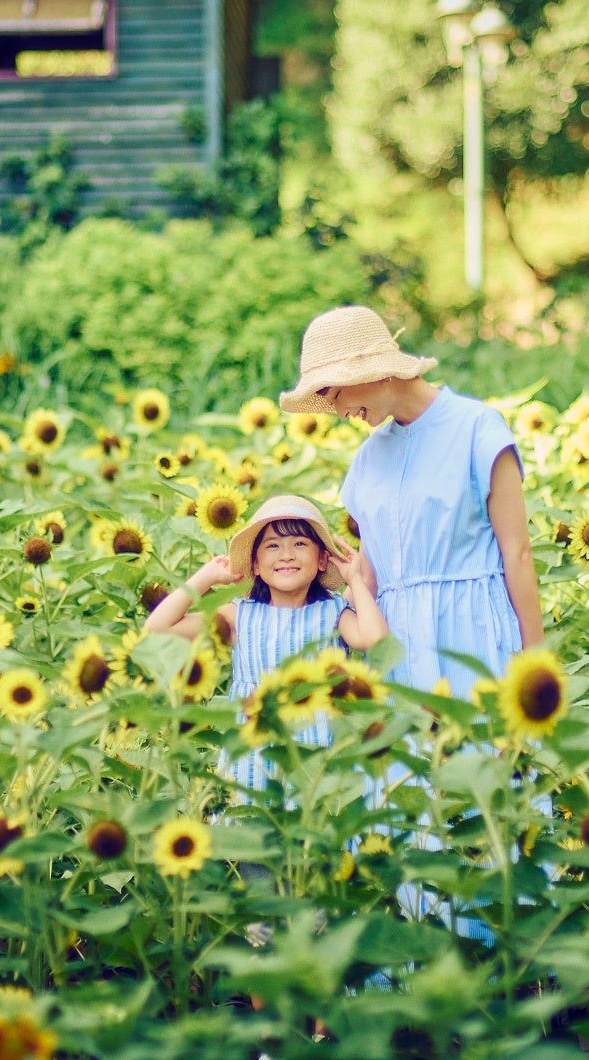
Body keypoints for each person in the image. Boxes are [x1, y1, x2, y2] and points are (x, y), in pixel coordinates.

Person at [278, 305, 544, 693]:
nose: (337, 412)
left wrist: (537, 664)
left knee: (482, 749)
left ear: (374, 371)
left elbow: (517, 552)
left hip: (473, 637)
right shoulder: (369, 458)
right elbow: (368, 575)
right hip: (396, 651)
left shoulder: (476, 428)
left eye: (334, 393)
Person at [144, 494, 387, 789]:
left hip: (318, 759)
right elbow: (157, 629)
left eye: (300, 543)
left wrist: (356, 580)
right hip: (252, 758)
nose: (286, 554)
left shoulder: (333, 612)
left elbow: (376, 642)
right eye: (273, 545)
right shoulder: (238, 616)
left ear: (323, 559)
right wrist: (204, 577)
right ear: (256, 565)